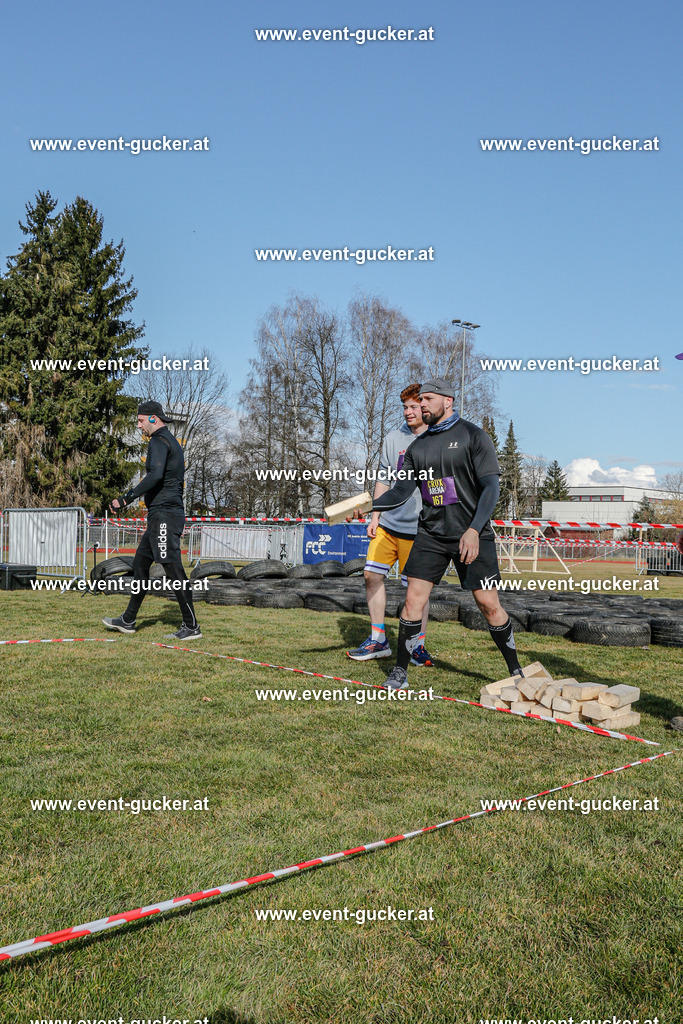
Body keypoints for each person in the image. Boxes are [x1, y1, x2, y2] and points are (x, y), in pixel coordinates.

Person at [371, 378, 524, 689]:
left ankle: (516, 669)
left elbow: (491, 488)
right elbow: (400, 491)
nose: (422, 404)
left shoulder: (473, 436)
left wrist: (473, 529)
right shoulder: (418, 446)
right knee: (413, 601)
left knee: (488, 605)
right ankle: (400, 671)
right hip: (430, 534)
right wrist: (370, 505)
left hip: (472, 533)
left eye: (427, 399)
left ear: (448, 401)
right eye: (420, 400)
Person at [346, 383, 434, 666]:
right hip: (387, 525)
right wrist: (374, 517)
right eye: (405, 407)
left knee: (417, 592)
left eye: (413, 407)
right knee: (371, 576)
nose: (408, 412)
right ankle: (378, 639)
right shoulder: (392, 438)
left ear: (425, 407)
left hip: (420, 530)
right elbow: (383, 480)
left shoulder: (437, 440)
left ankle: (417, 646)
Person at [102, 401, 201, 641]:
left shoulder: (159, 441)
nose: (139, 426)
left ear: (154, 419)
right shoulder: (170, 441)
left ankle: (191, 626)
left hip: (165, 514)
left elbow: (155, 475)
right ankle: (128, 620)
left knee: (173, 568)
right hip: (160, 515)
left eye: (140, 420)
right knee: (141, 565)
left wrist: (126, 499)